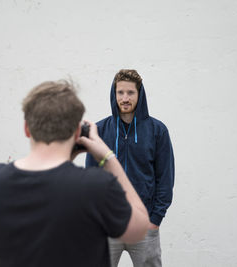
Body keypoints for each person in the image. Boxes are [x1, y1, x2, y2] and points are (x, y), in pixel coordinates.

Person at [0, 80, 150, 267]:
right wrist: (107, 156)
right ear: (78, 132)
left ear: (27, 128)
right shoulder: (95, 187)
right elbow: (139, 229)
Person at [86, 69, 175, 267]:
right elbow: (91, 179)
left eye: (130, 93)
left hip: (144, 226)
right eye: (120, 93)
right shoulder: (99, 131)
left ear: (139, 94)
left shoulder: (157, 131)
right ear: (114, 94)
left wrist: (155, 220)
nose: (125, 98)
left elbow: (165, 178)